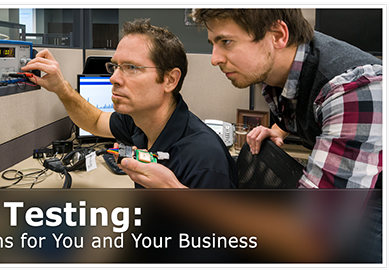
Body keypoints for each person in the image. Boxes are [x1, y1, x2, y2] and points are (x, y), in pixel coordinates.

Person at [118, 9, 382, 262]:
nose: (214, 58)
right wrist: (280, 128)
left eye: (226, 42)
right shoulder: (277, 66)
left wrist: (175, 192)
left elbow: (312, 238)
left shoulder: (353, 92)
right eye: (213, 43)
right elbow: (300, 101)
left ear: (278, 35)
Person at [21, 18, 237, 189]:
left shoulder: (205, 159)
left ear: (170, 80)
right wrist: (61, 87)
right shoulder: (139, 122)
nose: (113, 78)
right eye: (115, 66)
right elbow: (95, 120)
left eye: (131, 68)